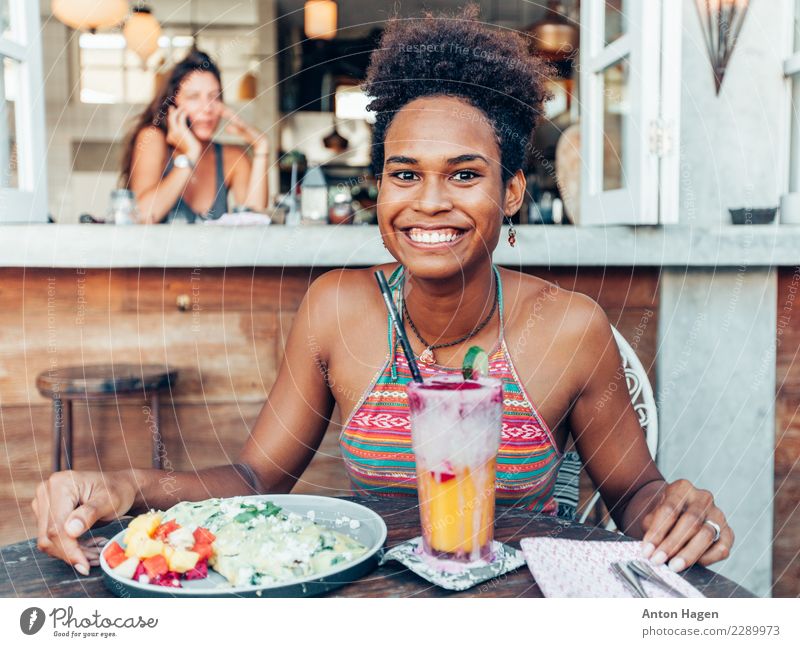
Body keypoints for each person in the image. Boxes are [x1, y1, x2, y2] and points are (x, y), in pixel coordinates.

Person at [34, 5, 732, 578]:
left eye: (464, 175)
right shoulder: (337, 310)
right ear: (380, 191)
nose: (429, 202)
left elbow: (636, 491)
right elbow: (253, 478)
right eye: (405, 175)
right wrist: (122, 487)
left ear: (512, 190)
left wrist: (677, 508)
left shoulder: (570, 327)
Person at [119, 50, 269, 223]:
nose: (207, 108)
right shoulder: (152, 139)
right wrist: (190, 155)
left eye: (214, 96)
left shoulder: (232, 158)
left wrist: (261, 147)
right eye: (194, 97)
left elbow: (255, 226)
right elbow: (143, 216)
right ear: (173, 104)